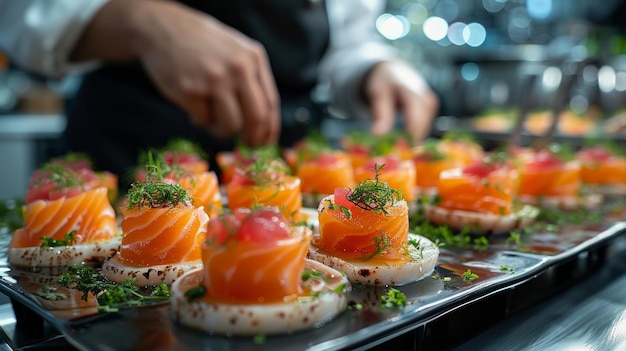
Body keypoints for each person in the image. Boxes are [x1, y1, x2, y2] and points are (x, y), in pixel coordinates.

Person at [0, 0, 439, 188]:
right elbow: (22, 13)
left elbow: (345, 36)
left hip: (282, 168)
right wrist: (139, 17)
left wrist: (374, 66)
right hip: (127, 159)